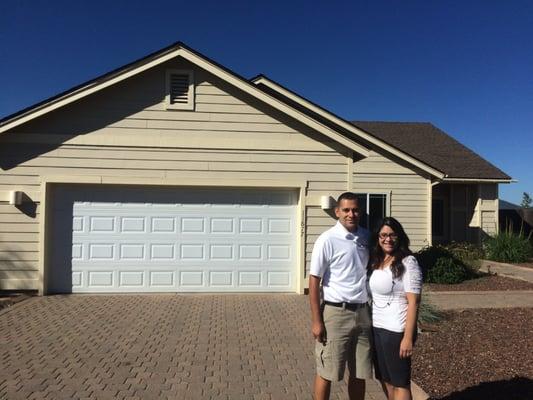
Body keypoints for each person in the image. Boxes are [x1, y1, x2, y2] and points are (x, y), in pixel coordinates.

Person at [309, 192, 372, 400]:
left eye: (355, 210)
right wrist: (317, 321)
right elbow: (314, 280)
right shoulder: (327, 239)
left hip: (363, 314)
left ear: (360, 212)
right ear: (337, 212)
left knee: (359, 373)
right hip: (336, 314)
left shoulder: (366, 237)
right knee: (327, 371)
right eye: (346, 210)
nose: (351, 214)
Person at [367, 217, 422, 400]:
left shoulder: (408, 262)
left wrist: (407, 337)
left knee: (400, 382)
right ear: (378, 237)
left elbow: (413, 302)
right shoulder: (379, 260)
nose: (387, 239)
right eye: (383, 235)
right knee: (385, 379)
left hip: (397, 330)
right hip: (378, 328)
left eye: (392, 235)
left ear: (399, 237)